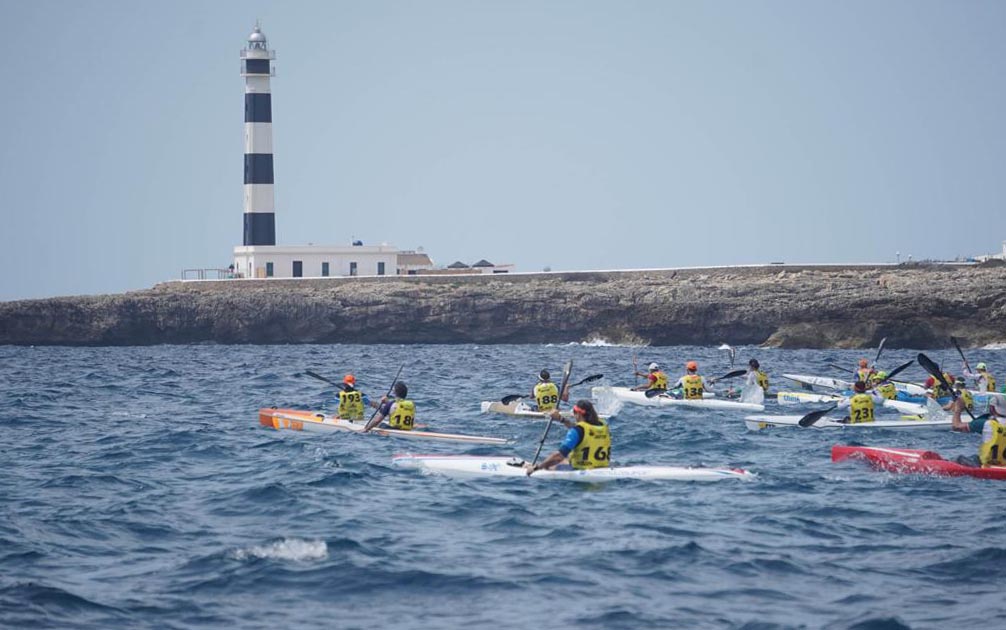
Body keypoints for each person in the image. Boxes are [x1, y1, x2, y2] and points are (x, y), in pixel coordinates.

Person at [525, 400, 610, 474]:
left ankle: (529, 467)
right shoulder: (603, 426)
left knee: (552, 464)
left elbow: (558, 456)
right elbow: (581, 430)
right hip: (602, 468)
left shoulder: (577, 431)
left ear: (578, 414)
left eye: (574, 413)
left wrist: (537, 467)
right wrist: (560, 419)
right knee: (566, 460)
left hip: (581, 470)